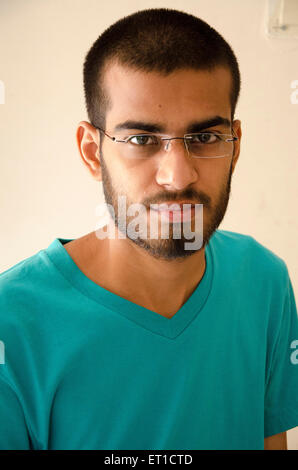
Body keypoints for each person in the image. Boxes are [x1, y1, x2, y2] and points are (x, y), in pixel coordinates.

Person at [0, 8, 298, 451]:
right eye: (141, 140)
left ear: (235, 146)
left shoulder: (264, 279)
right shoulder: (13, 323)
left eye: (205, 138)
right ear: (91, 151)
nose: (178, 177)